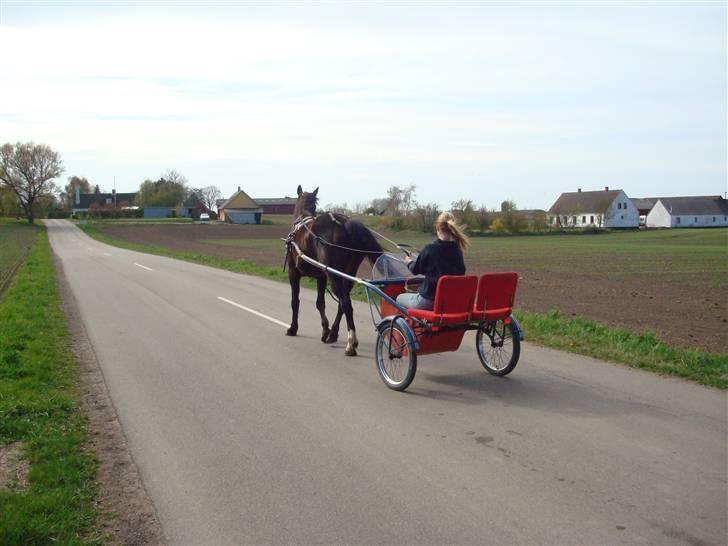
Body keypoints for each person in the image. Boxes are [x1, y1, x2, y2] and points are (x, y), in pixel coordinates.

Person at [396, 212, 469, 310]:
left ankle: (406, 324)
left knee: (399, 298)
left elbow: (415, 270)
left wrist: (409, 261)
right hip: (450, 301)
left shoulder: (430, 249)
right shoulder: (458, 250)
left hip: (429, 301)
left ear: (438, 227)